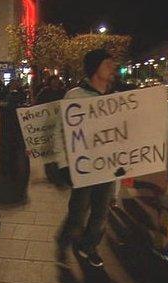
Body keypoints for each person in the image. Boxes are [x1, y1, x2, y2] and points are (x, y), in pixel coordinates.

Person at [56, 49, 117, 268]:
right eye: (107, 63)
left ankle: (89, 246)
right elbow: (60, 132)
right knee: (78, 211)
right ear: (95, 67)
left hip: (108, 168)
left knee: (101, 213)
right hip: (83, 167)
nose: (112, 67)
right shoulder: (75, 95)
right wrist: (64, 166)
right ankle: (64, 241)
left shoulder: (116, 97)